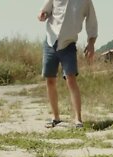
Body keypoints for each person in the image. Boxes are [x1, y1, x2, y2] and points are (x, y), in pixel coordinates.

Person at [38, 0, 98, 128]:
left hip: (68, 44)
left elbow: (92, 22)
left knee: (71, 79)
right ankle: (55, 117)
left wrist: (91, 43)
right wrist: (42, 15)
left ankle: (78, 119)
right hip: (50, 41)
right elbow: (44, 12)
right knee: (50, 80)